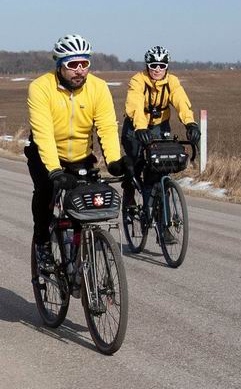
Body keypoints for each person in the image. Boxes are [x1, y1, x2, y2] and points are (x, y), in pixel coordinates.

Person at [26, 34, 133, 275]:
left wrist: (114, 161)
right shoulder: (40, 88)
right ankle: (42, 243)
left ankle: (78, 253)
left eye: (84, 64)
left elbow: (106, 126)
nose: (79, 71)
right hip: (46, 154)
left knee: (86, 200)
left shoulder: (98, 87)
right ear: (60, 65)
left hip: (81, 156)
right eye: (72, 64)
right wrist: (54, 171)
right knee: (45, 193)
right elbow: (43, 134)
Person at [121, 45, 200, 234]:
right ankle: (130, 195)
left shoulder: (172, 82)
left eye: (162, 66)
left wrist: (190, 123)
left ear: (167, 67)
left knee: (160, 169)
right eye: (153, 65)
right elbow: (135, 105)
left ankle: (162, 224)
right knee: (135, 165)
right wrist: (140, 127)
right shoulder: (138, 80)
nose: (157, 69)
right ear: (147, 65)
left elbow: (181, 101)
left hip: (159, 126)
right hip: (135, 127)